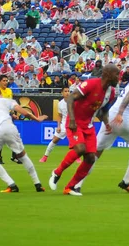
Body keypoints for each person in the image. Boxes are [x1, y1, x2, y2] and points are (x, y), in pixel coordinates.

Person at [75, 65, 129, 193]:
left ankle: (77, 184)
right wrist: (120, 113)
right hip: (124, 119)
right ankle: (126, 181)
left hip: (110, 119)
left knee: (96, 153)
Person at [48, 64, 120, 196]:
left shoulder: (111, 92)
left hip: (88, 125)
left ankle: (69, 187)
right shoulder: (91, 84)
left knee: (91, 158)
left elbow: (102, 111)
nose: (118, 78)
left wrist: (107, 123)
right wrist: (72, 120)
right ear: (108, 75)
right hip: (75, 122)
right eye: (117, 74)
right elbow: (70, 98)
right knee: (80, 149)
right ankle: (57, 172)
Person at [0, 87, 48, 193]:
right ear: (0, 93)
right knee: (22, 155)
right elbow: (24, 112)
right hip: (9, 128)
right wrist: (37, 119)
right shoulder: (7, 101)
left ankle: (12, 185)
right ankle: (38, 184)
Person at [40, 87, 71, 163]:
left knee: (76, 141)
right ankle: (45, 156)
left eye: (68, 91)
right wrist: (58, 126)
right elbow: (60, 115)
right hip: (64, 124)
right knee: (55, 139)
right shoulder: (60, 103)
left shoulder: (74, 102)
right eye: (65, 91)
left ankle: (77, 157)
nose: (67, 93)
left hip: (73, 124)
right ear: (62, 93)